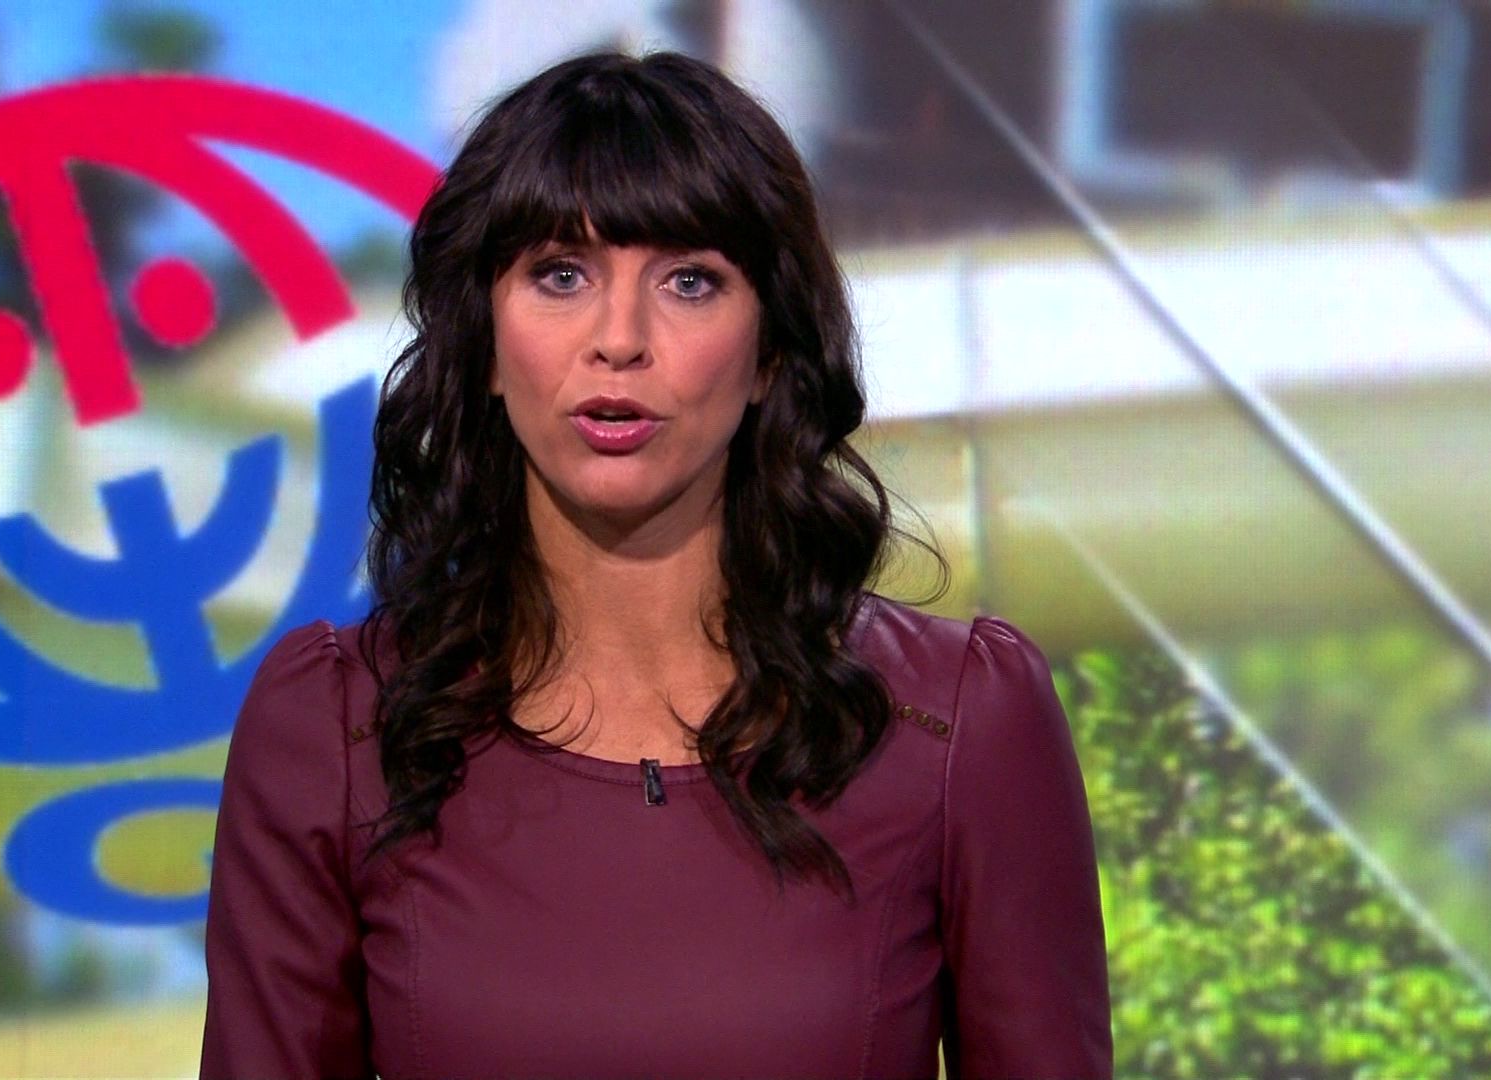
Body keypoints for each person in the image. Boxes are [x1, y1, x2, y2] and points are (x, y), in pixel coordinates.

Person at [199, 49, 1111, 1080]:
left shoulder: (959, 724)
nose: (619, 340)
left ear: (772, 351)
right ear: (483, 340)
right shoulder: (335, 729)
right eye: (561, 275)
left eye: (689, 281)